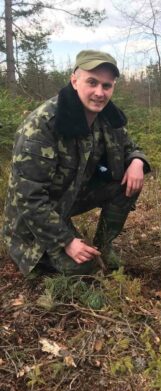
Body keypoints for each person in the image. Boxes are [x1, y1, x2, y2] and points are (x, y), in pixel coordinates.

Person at [3, 50, 150, 277]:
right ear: (74, 80)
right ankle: (38, 250)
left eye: (106, 86)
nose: (99, 93)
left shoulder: (107, 117)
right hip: (34, 218)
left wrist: (137, 161)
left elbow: (130, 147)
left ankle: (103, 245)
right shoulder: (42, 126)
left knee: (128, 184)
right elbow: (29, 199)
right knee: (85, 271)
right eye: (92, 82)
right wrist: (67, 241)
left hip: (69, 199)